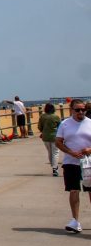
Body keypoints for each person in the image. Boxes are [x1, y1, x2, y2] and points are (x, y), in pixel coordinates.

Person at [54, 98, 91, 233]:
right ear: (71, 110)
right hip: (71, 162)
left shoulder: (90, 123)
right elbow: (58, 142)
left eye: (83, 109)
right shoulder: (64, 124)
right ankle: (75, 220)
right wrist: (70, 152)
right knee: (74, 190)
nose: (81, 112)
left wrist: (89, 150)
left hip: (89, 162)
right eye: (77, 110)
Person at [38, 102, 61, 176]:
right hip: (55, 137)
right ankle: (55, 168)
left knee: (50, 152)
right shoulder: (56, 117)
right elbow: (60, 127)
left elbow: (39, 127)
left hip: (45, 137)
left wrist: (43, 131)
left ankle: (53, 166)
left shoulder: (42, 116)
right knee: (55, 153)